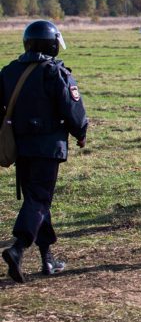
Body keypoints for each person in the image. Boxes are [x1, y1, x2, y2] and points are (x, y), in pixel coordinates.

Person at [1, 21, 88, 283]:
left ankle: (46, 257)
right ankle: (18, 247)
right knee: (39, 199)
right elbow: (72, 109)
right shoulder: (55, 72)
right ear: (52, 45)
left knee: (36, 199)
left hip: (20, 146)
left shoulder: (8, 72)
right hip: (48, 147)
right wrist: (80, 132)